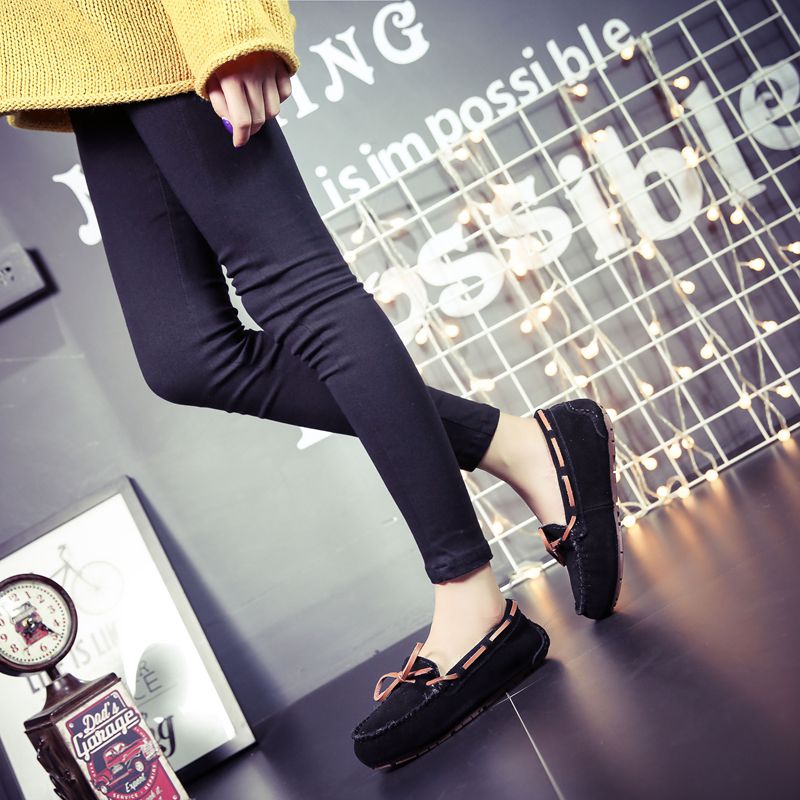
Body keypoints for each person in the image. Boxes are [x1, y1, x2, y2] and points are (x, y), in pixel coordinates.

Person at [1, 0, 622, 771]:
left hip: (155, 27)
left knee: (298, 287)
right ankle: (528, 447)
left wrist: (229, 25)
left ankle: (471, 598)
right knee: (185, 356)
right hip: (84, 55)